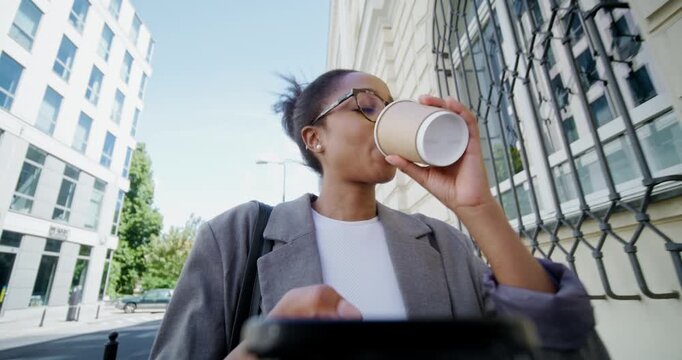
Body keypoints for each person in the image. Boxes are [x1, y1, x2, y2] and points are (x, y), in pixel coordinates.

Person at [150, 69, 609, 359]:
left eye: (391, 108)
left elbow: (558, 341)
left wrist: (477, 207)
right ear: (315, 139)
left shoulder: (440, 241)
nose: (386, 119)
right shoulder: (237, 235)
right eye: (367, 107)